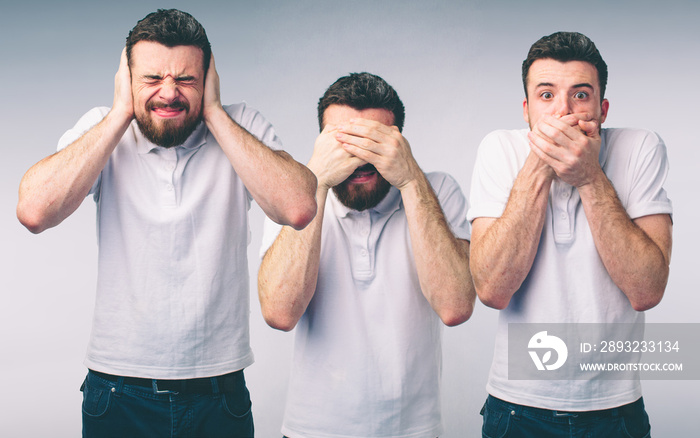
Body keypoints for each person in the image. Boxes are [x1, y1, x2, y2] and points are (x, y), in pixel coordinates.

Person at [16, 9, 317, 438]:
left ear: (209, 78)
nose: (169, 93)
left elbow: (299, 207)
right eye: (152, 79)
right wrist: (122, 111)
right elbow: (34, 211)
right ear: (127, 78)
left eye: (187, 80)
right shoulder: (103, 127)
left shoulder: (241, 125)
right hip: (117, 390)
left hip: (219, 391)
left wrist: (213, 113)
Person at [468, 31, 672, 437]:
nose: (563, 111)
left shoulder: (640, 147)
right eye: (546, 96)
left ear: (603, 107)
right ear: (526, 110)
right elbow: (492, 289)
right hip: (516, 408)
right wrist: (541, 163)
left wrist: (590, 177)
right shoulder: (498, 149)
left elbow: (647, 290)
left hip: (615, 409)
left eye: (580, 95)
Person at [258, 72, 475, 438]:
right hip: (312, 430)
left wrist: (409, 180)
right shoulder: (294, 197)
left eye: (375, 143)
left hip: (415, 431)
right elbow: (279, 313)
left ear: (399, 143)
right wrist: (316, 180)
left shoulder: (436, 192)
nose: (360, 159)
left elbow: (456, 306)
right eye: (344, 142)